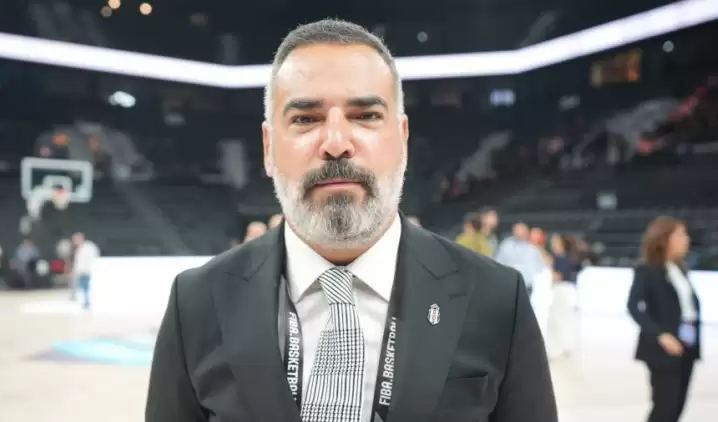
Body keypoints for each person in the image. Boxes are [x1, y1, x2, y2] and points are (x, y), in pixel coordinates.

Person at [146, 19, 556, 422]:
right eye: (306, 119)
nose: (337, 143)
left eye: (365, 116)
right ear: (268, 147)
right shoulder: (196, 303)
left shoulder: (497, 300)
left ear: (403, 139)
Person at [627, 217, 700, 422]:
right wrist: (660, 334)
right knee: (664, 407)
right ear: (663, 238)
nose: (686, 239)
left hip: (687, 344)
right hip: (662, 350)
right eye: (680, 234)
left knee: (678, 406)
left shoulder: (680, 269)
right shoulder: (647, 270)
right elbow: (634, 306)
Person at [546, 234, 577, 359]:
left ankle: (559, 348)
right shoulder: (560, 257)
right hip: (562, 290)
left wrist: (548, 270)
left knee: (558, 320)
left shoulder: (563, 258)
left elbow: (558, 276)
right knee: (559, 319)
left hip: (562, 290)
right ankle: (563, 346)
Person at [71, 232, 100, 309]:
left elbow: (93, 257)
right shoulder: (79, 249)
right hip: (80, 271)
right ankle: (83, 300)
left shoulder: (89, 247)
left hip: (86, 270)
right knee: (82, 286)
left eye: (76, 240)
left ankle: (87, 301)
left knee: (86, 286)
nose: (75, 242)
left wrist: (88, 268)